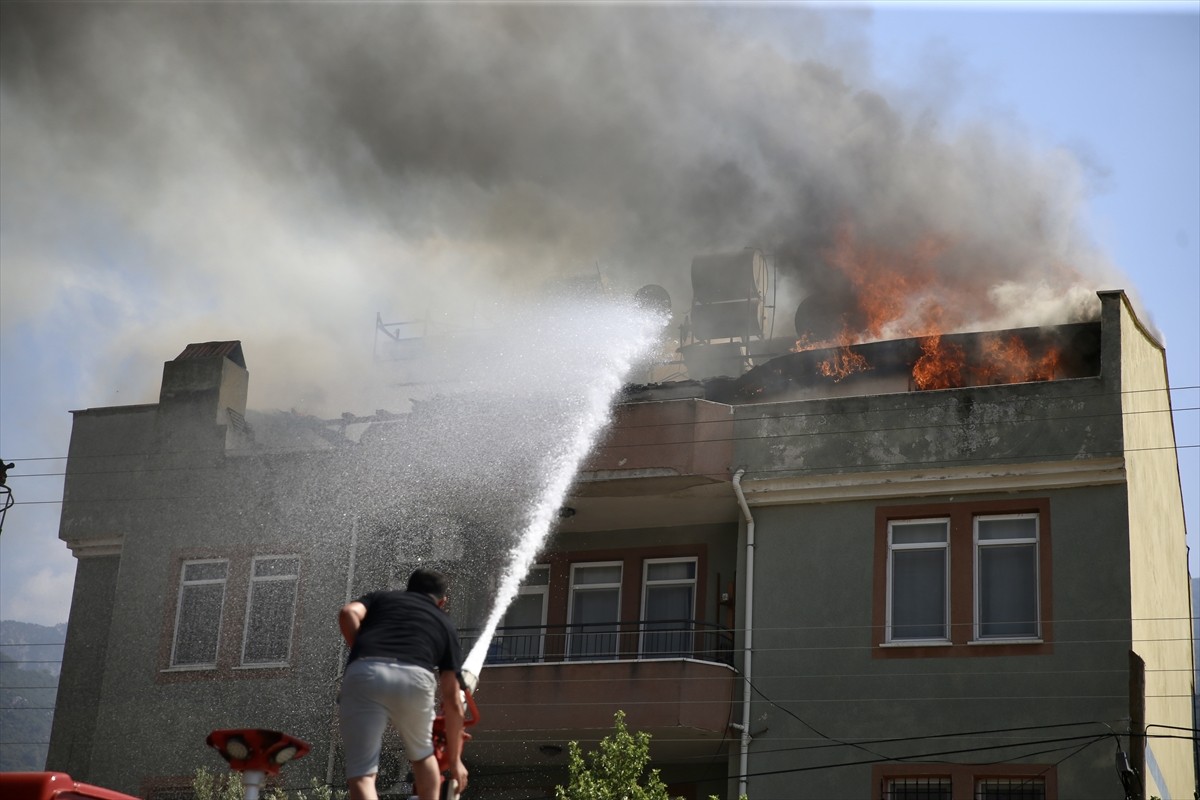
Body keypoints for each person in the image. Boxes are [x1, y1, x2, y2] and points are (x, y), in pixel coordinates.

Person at [338, 568, 469, 800]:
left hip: (365, 672)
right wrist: (456, 760)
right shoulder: (444, 623)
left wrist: (361, 650)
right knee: (423, 756)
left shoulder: (381, 598)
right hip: (415, 677)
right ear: (442, 601)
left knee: (362, 775)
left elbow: (348, 613)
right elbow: (452, 697)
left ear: (408, 589)